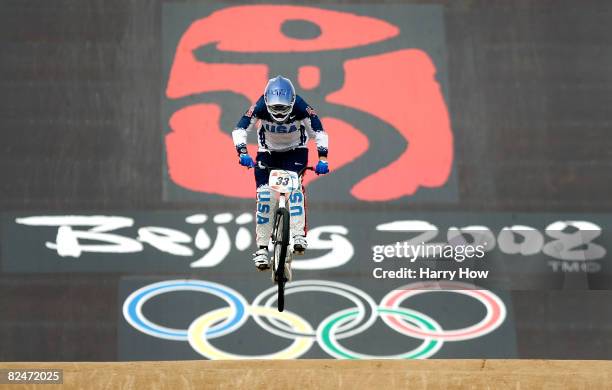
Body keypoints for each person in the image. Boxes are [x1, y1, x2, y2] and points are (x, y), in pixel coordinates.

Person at [232, 75, 330, 270]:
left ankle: (298, 236)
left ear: (292, 102)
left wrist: (323, 159)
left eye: (283, 108)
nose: (278, 112)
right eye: (274, 108)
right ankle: (261, 249)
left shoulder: (301, 106)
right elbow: (239, 129)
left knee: (294, 191)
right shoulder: (259, 105)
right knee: (265, 197)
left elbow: (318, 131)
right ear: (267, 102)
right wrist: (242, 153)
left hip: (296, 152)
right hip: (267, 154)